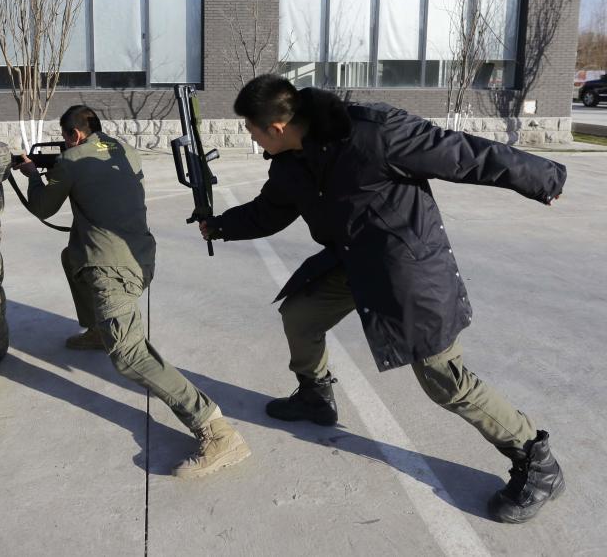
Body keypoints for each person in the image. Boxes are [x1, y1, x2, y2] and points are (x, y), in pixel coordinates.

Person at [200, 75, 566, 523]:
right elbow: (270, 210)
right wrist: (220, 225)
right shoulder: (291, 161)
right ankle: (315, 396)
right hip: (352, 262)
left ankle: (536, 459)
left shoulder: (372, 132)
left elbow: (461, 152)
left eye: (251, 129)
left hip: (407, 270)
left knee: (442, 378)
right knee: (300, 314)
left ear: (276, 126)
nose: (250, 138)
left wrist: (543, 177)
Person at [14, 105, 251, 478]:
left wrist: (31, 174)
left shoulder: (71, 160)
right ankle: (96, 330)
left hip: (113, 270)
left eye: (65, 137)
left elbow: (42, 206)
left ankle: (215, 429)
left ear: (74, 135)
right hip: (142, 258)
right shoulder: (124, 150)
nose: (64, 143)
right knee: (71, 255)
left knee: (127, 353)